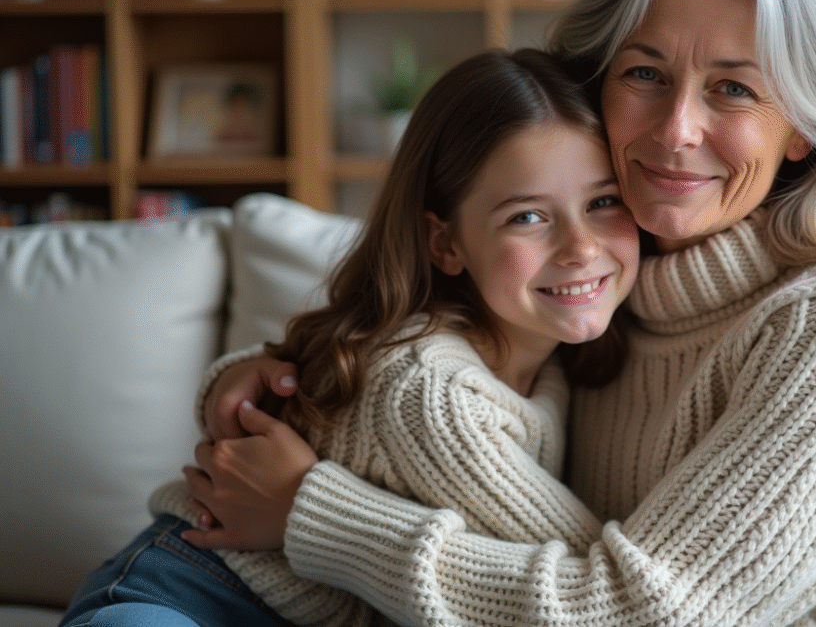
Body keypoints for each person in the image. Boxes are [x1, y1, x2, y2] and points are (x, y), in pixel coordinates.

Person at [184, 0, 816, 626]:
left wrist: (312, 515)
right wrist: (273, 375)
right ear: (595, 85)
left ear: (805, 128)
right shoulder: (596, 282)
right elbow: (425, 351)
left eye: (734, 89)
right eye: (645, 73)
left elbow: (642, 615)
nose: (676, 129)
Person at [57, 48, 641, 627]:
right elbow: (594, 592)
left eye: (603, 202)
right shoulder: (433, 390)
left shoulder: (557, 363)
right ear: (445, 244)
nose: (582, 248)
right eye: (528, 217)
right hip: (190, 595)